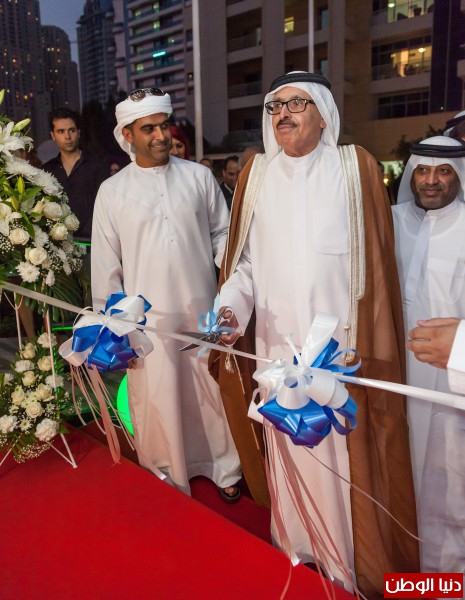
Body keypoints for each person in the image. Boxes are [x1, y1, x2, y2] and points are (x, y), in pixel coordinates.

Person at [210, 71, 419, 596]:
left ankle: (346, 562)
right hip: (275, 347)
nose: (283, 113)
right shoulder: (257, 175)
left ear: (324, 114)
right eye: (275, 105)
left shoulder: (353, 167)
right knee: (288, 450)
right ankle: (294, 545)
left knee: (342, 460)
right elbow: (245, 265)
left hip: (340, 354)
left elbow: (375, 268)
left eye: (296, 103)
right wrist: (229, 310)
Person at [91, 88, 241, 501]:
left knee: (209, 392)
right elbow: (106, 267)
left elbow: (223, 234)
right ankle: (168, 474)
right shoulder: (112, 191)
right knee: (158, 396)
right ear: (127, 135)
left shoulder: (199, 177)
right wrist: (117, 330)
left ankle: (224, 467)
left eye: (164, 125)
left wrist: (234, 288)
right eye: (148, 129)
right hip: (148, 325)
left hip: (202, 312)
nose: (160, 136)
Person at [392, 136, 465, 572]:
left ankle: (446, 577)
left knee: (448, 482)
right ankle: (404, 569)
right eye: (422, 170)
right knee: (400, 475)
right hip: (395, 374)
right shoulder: (391, 220)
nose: (431, 181)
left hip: (451, 381)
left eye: (443, 172)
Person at [42, 108, 107, 241]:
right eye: (61, 131)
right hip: (57, 242)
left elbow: (104, 205)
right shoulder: (46, 170)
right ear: (53, 135)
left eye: (71, 130)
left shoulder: (97, 165)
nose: (67, 136)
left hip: (91, 241)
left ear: (78, 132)